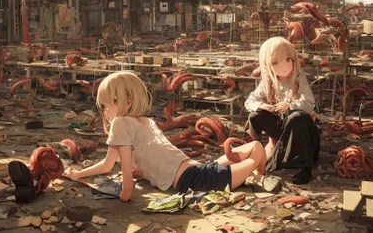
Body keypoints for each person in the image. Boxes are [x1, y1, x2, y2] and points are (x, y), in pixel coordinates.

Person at [66, 71, 279, 202]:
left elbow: (124, 184)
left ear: (126, 101)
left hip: (196, 180)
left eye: (106, 104)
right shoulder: (145, 121)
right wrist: (78, 175)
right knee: (254, 149)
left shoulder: (120, 123)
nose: (104, 111)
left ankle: (259, 175)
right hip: (198, 169)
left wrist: (123, 195)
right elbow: (108, 164)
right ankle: (258, 173)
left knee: (256, 150)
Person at [245, 37, 320, 185]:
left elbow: (309, 103)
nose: (284, 66)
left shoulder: (299, 78)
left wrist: (289, 105)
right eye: (275, 63)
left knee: (296, 116)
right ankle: (256, 153)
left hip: (303, 133)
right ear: (268, 65)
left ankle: (304, 168)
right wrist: (261, 105)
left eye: (287, 60)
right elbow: (249, 101)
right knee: (255, 115)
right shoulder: (268, 81)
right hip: (282, 129)